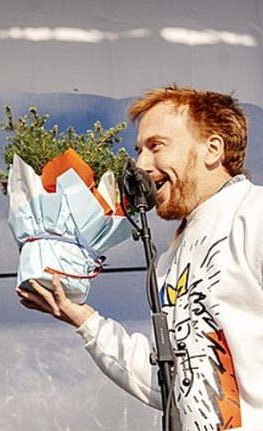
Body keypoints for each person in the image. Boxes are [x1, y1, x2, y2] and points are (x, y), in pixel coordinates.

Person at [17, 85, 263, 430]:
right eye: (139, 150)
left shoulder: (253, 214)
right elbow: (173, 384)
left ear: (212, 149)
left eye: (156, 146)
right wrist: (83, 319)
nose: (141, 165)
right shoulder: (170, 258)